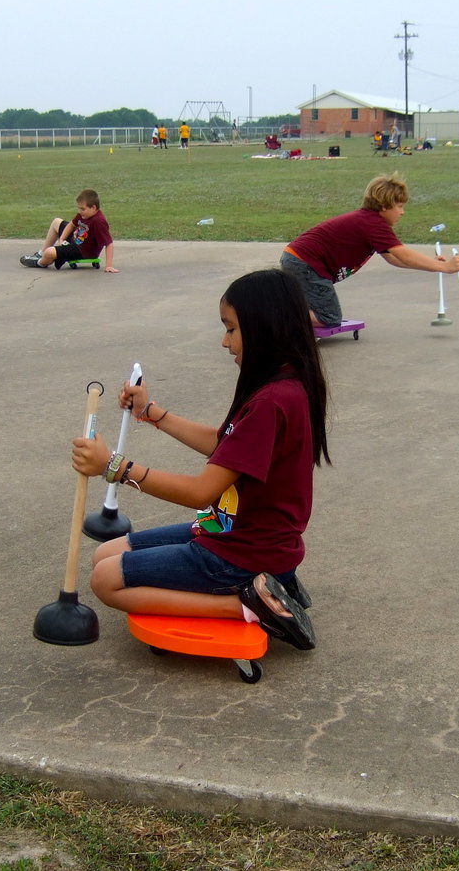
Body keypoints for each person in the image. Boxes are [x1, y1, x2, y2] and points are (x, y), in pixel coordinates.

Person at [69, 268, 327, 650]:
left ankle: (251, 603)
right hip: (238, 535)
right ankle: (274, 581)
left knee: (104, 581)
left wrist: (115, 467)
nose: (225, 342)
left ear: (264, 328)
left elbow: (200, 492)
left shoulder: (272, 401)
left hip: (242, 551)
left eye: (231, 329)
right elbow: (221, 443)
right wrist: (151, 412)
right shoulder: (283, 385)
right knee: (104, 554)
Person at [279, 172, 459, 328]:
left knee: (323, 313)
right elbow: (403, 254)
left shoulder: (369, 222)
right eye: (399, 206)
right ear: (384, 205)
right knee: (329, 318)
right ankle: (274, 317)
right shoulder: (373, 224)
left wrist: (433, 264)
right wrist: (445, 267)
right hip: (306, 263)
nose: (402, 212)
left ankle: (280, 311)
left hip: (301, 260)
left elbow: (394, 259)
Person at [19, 188, 117, 272]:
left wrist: (108, 266)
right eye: (79, 208)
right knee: (56, 221)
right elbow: (71, 224)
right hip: (76, 240)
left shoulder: (99, 221)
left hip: (82, 251)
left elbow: (109, 243)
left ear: (93, 207)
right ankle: (40, 254)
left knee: (49, 252)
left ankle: (40, 263)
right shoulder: (84, 214)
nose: (80, 212)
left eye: (83, 209)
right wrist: (62, 239)